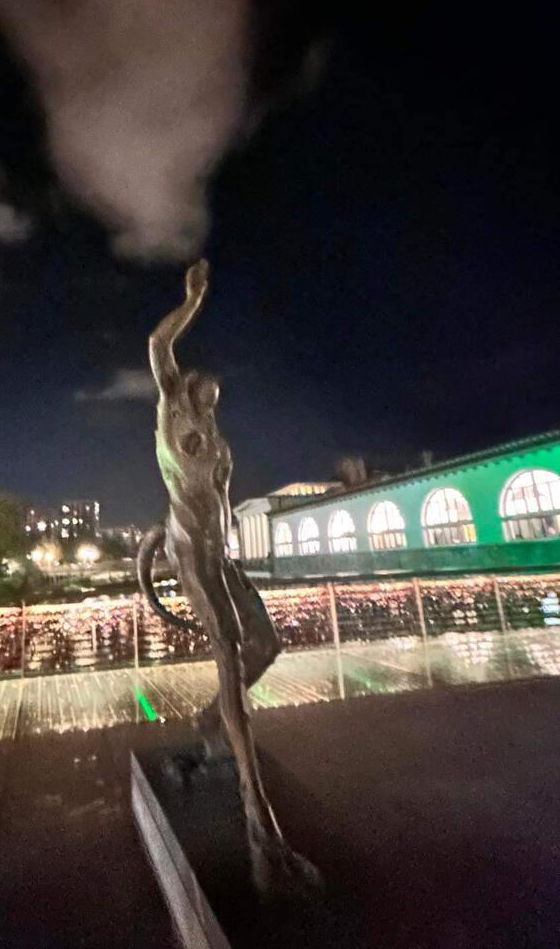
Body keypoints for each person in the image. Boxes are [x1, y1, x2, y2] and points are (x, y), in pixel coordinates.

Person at [138, 259, 321, 898]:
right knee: (231, 652)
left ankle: (213, 721)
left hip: (223, 555)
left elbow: (221, 497)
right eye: (203, 394)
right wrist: (193, 300)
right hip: (191, 555)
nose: (210, 402)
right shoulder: (173, 412)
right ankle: (259, 827)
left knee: (268, 643)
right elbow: (158, 344)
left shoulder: (214, 437)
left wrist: (233, 549)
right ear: (185, 393)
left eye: (216, 400)